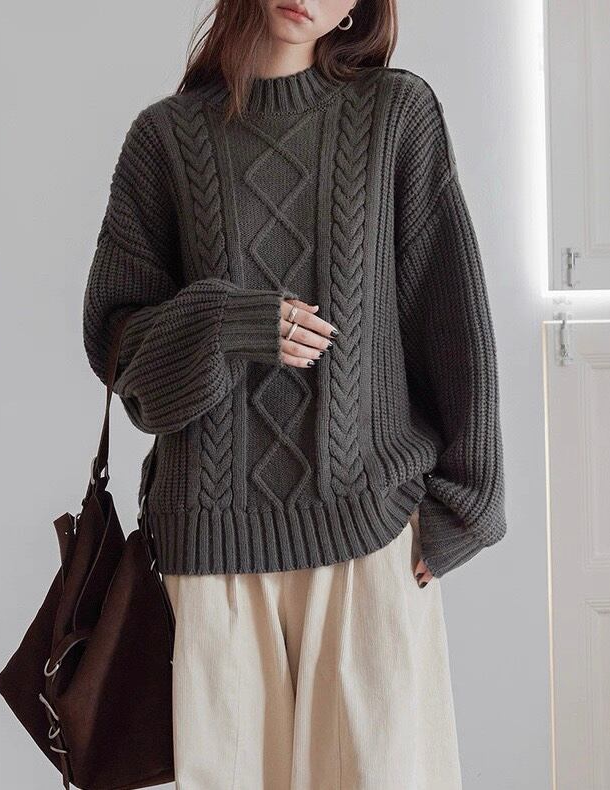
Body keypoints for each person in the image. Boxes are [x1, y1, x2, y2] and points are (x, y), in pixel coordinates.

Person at [82, 1, 507, 787]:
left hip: (369, 540)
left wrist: (468, 503)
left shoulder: (395, 116)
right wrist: (224, 323)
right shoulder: (166, 139)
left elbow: (450, 315)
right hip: (212, 558)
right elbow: (120, 353)